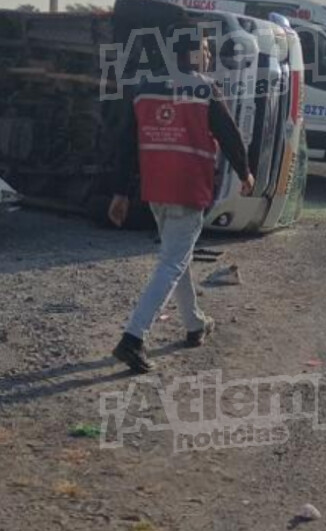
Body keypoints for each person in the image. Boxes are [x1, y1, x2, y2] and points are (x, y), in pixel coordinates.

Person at [108, 41, 255, 374]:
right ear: (191, 54)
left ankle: (194, 325)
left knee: (177, 257)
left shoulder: (143, 89)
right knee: (173, 261)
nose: (208, 55)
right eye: (204, 49)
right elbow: (229, 133)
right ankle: (133, 338)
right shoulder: (204, 88)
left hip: (155, 186)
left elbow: (127, 142)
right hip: (188, 186)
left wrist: (120, 192)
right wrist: (244, 171)